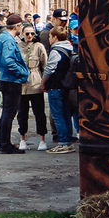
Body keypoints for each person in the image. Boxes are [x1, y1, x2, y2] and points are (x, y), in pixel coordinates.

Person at [0, 15, 31, 154]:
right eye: (21, 26)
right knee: (9, 113)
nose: (21, 29)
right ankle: (5, 145)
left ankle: (3, 143)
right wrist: (21, 72)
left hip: (5, 78)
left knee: (6, 113)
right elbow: (8, 61)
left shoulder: (0, 38)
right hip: (11, 80)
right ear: (17, 26)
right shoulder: (9, 41)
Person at [45, 22, 80, 151]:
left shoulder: (56, 50)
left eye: (50, 36)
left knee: (57, 115)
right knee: (65, 114)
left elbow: (49, 69)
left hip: (55, 85)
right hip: (66, 85)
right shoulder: (69, 48)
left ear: (55, 37)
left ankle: (63, 142)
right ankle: (68, 140)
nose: (49, 39)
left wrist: (44, 83)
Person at [20, 27, 51, 151]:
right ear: (23, 34)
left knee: (39, 113)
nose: (29, 36)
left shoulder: (39, 46)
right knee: (22, 113)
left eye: (32, 33)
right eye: (27, 33)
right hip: (22, 85)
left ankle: (42, 139)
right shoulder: (18, 46)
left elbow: (45, 65)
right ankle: (22, 138)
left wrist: (44, 82)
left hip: (35, 82)